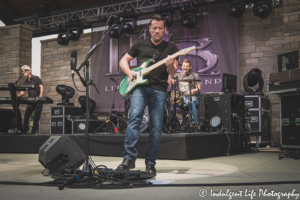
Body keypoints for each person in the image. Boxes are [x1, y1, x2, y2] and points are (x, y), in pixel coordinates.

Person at [118, 14, 178, 175]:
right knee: (135, 117)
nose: (157, 31)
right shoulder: (140, 44)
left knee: (156, 127)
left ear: (165, 30)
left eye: (160, 28)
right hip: (140, 87)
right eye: (154, 28)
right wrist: (129, 71)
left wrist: (170, 66)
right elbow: (123, 61)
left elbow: (173, 71)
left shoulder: (171, 48)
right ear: (149, 29)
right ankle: (129, 159)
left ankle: (150, 163)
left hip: (159, 89)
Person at [172, 59, 201, 126]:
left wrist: (191, 91)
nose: (185, 68)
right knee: (168, 99)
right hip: (181, 97)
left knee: (191, 101)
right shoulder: (177, 75)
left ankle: (193, 123)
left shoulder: (195, 75)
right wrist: (169, 72)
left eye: (187, 66)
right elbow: (171, 83)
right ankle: (169, 122)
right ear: (181, 66)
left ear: (190, 67)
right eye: (184, 66)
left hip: (192, 97)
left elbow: (199, 89)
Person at [17, 65, 44, 134]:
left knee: (36, 116)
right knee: (26, 115)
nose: (23, 72)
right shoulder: (26, 81)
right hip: (31, 100)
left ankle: (34, 131)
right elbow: (23, 91)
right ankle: (25, 130)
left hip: (38, 100)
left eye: (25, 71)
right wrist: (17, 96)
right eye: (23, 71)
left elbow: (41, 86)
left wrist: (40, 95)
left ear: (29, 71)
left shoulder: (36, 78)